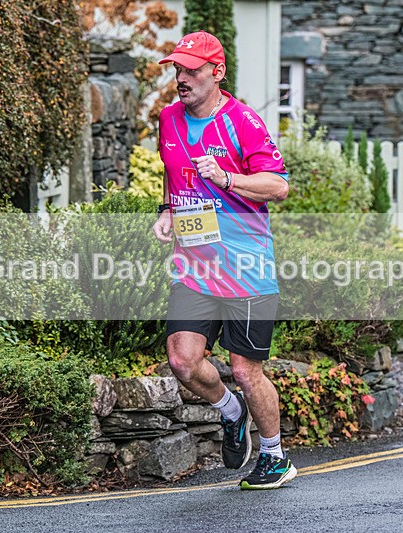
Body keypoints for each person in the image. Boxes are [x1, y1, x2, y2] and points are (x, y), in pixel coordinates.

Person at [152, 30, 296, 490]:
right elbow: (172, 174)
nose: (181, 78)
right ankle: (230, 412)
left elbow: (278, 186)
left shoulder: (243, 121)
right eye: (178, 69)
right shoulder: (168, 119)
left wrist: (229, 179)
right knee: (182, 361)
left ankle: (274, 456)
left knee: (246, 371)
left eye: (191, 70)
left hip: (246, 269)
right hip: (194, 266)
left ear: (217, 72)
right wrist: (167, 210)